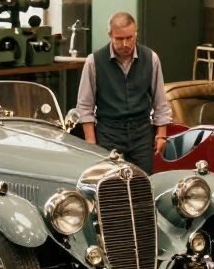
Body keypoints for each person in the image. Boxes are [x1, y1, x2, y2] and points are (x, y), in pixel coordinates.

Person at [73, 11, 173, 173]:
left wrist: (161, 135)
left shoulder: (151, 58)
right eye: (119, 39)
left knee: (143, 181)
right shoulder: (94, 62)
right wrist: (91, 142)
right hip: (109, 133)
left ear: (136, 34)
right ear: (110, 36)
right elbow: (85, 106)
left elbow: (160, 102)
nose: (125, 44)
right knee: (110, 181)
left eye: (130, 38)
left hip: (141, 133)